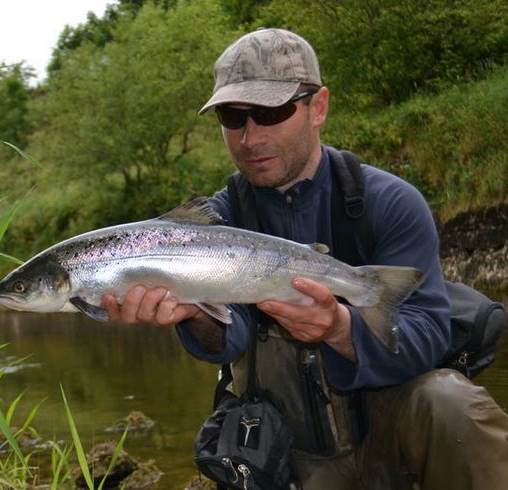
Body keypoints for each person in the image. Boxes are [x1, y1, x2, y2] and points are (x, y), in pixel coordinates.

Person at [101, 28, 508, 489]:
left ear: (318, 107)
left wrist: (341, 329)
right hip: (290, 447)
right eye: (232, 117)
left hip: (395, 429)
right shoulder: (217, 221)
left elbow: (430, 335)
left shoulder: (389, 202)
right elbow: (227, 341)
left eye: (271, 112)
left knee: (453, 404)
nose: (250, 137)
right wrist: (194, 312)